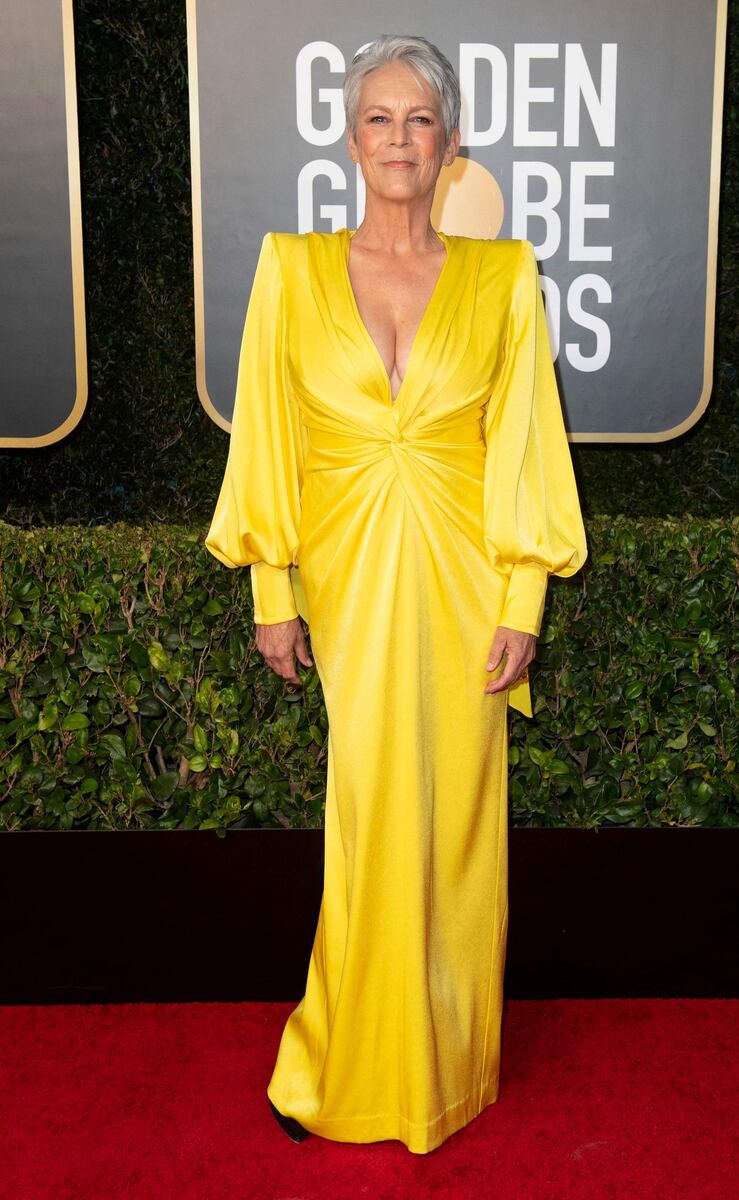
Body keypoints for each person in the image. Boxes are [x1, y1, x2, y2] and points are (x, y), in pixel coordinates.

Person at [204, 33, 588, 1155]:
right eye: (378, 117)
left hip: (466, 588)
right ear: (347, 135)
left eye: (420, 119)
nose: (399, 140)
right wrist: (272, 586)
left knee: (459, 829)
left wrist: (523, 601)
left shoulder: (502, 275)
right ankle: (338, 1059)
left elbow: (525, 446)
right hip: (348, 581)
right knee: (367, 816)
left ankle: (446, 1067)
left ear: (453, 141)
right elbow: (267, 433)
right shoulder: (289, 266)